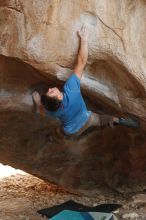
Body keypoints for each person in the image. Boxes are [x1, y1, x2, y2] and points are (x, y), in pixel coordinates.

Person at [32, 25, 139, 138]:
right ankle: (116, 119)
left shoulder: (52, 110)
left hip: (72, 131)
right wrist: (84, 39)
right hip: (88, 119)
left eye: (49, 91)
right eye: (51, 92)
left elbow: (42, 111)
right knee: (101, 119)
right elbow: (81, 62)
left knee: (61, 133)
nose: (50, 89)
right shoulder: (71, 90)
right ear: (59, 97)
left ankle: (55, 137)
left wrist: (38, 102)